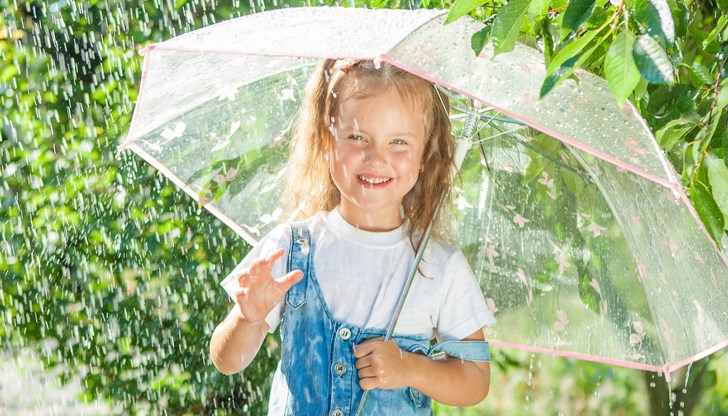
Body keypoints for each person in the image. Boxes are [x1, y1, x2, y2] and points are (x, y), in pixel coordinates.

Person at [209, 59, 495, 415]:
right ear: (327, 140)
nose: (376, 157)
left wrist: (410, 367)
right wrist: (247, 319)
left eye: (399, 142)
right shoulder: (291, 249)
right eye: (358, 137)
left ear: (425, 155)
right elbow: (227, 360)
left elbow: (475, 379)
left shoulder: (438, 266)